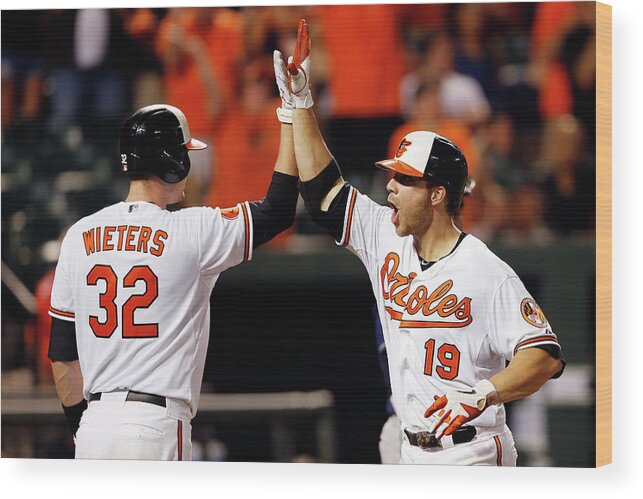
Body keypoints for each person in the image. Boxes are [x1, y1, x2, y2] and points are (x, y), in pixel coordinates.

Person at [282, 19, 565, 466]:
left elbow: (545, 356)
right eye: (392, 175)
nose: (390, 186)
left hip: (471, 453)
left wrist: (484, 394)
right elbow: (321, 191)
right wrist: (300, 103)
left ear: (437, 195)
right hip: (409, 452)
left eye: (405, 179)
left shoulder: (484, 269)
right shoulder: (383, 237)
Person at [47, 102, 299, 460]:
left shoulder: (78, 234)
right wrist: (290, 116)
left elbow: (61, 355)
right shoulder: (191, 229)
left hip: (93, 427)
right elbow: (278, 209)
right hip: (154, 423)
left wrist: (84, 427)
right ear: (171, 161)